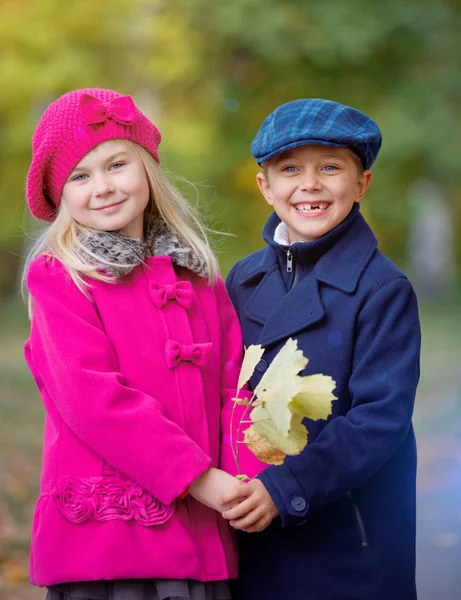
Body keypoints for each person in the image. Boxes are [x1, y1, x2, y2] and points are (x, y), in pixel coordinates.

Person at [22, 88, 247, 600]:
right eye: (80, 176)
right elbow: (92, 399)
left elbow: (235, 384)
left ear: (146, 167)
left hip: (205, 532)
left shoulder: (197, 274)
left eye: (116, 164)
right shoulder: (60, 278)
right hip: (110, 547)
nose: (102, 187)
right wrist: (198, 477)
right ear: (60, 195)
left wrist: (240, 478)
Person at [220, 99, 421, 600]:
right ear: (266, 187)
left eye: (330, 167)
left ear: (361, 184)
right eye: (290, 169)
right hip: (250, 527)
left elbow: (379, 420)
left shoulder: (383, 290)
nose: (309, 184)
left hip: (346, 538)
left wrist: (286, 489)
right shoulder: (244, 280)